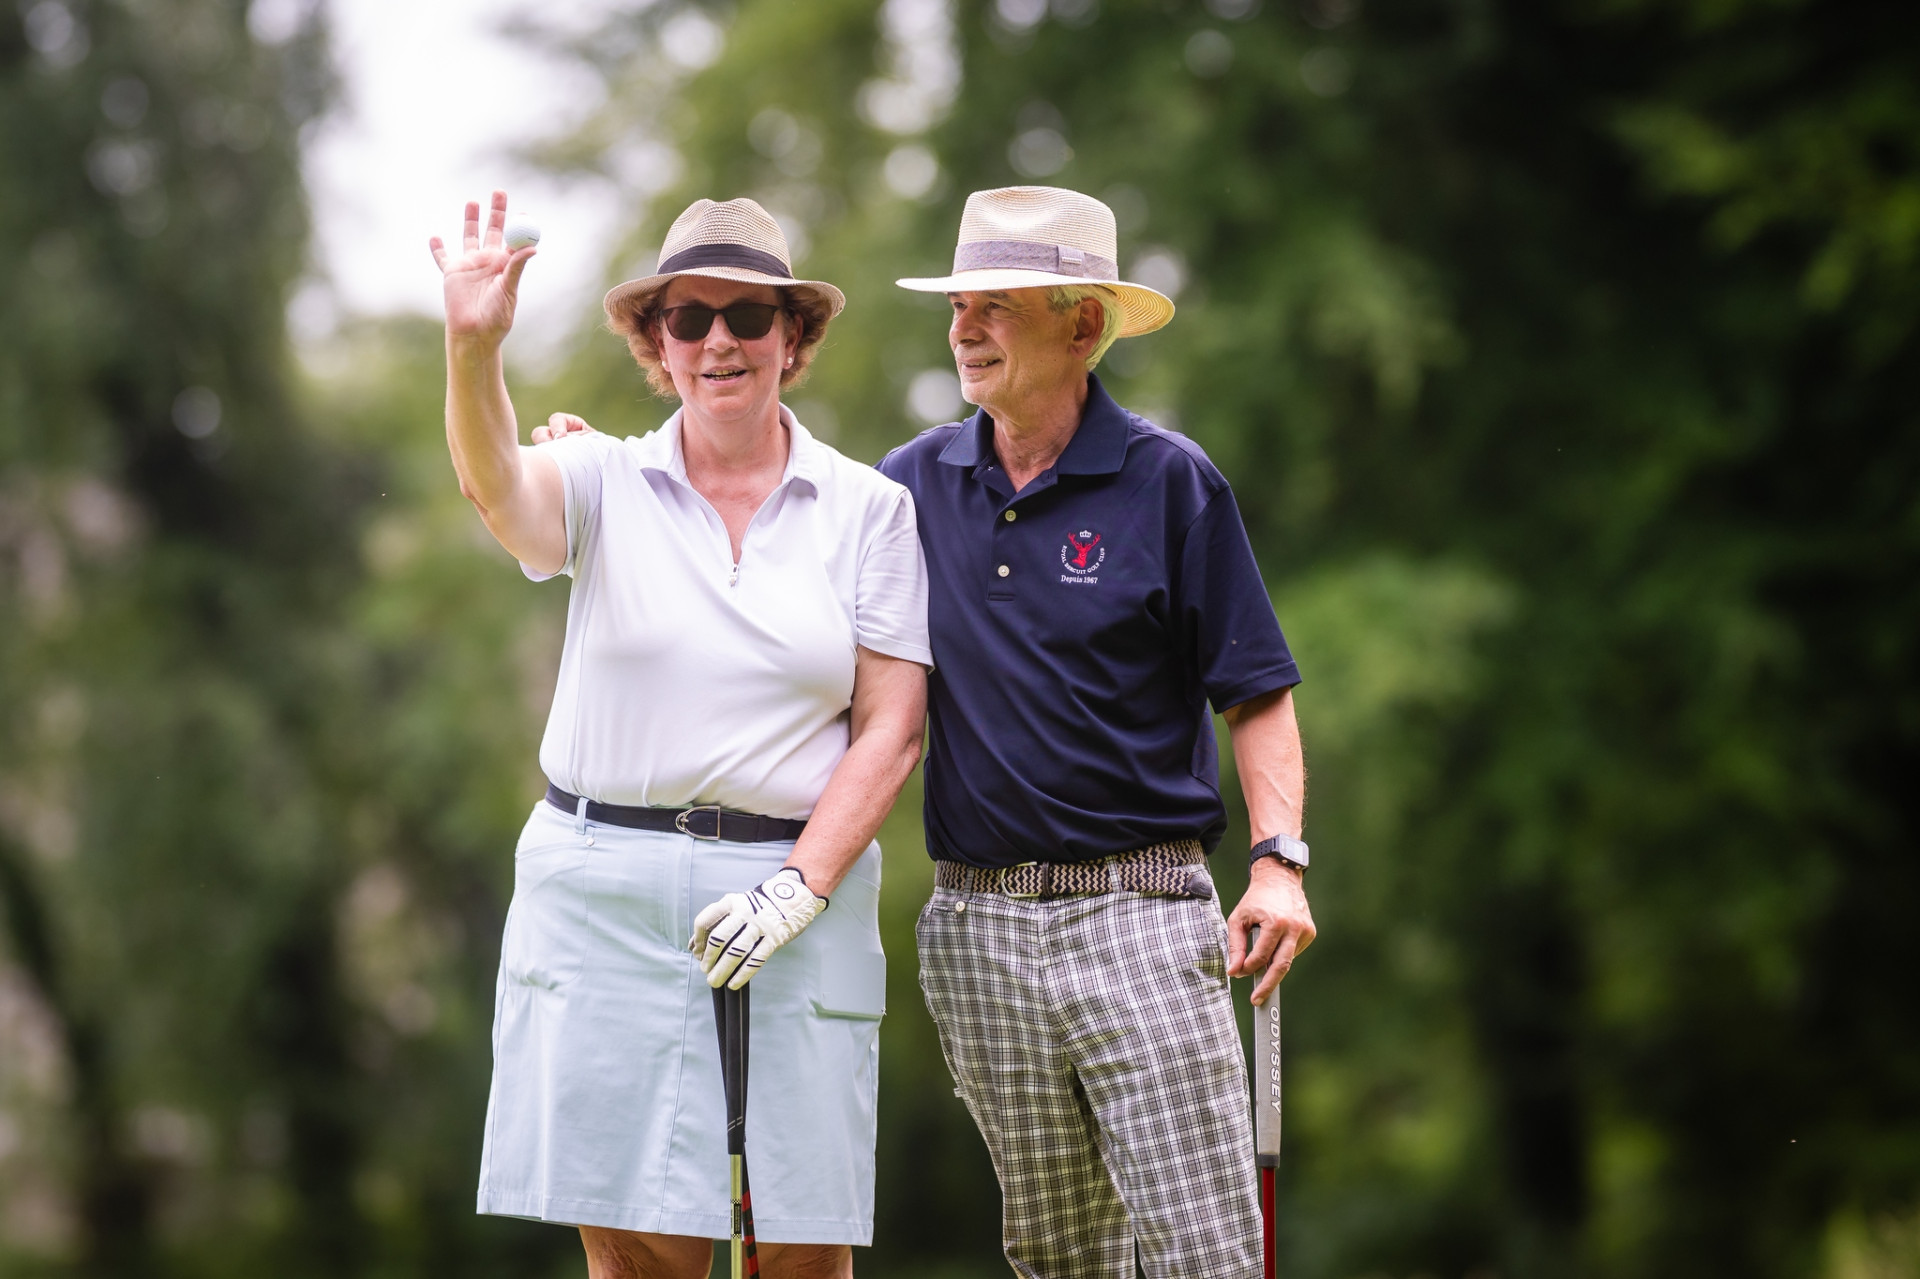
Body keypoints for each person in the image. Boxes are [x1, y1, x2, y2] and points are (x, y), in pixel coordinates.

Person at [430, 191, 931, 1279]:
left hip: (793, 900)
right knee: (639, 1259)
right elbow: (494, 484)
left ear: (793, 336)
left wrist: (799, 887)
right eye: (690, 317)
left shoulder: (869, 509)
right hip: (602, 898)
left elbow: (892, 728)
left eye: (747, 316)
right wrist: (474, 348)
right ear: (657, 341)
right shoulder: (600, 478)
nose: (719, 342)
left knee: (798, 1255)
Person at [874, 186, 1317, 1278]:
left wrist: (1279, 863)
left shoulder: (1170, 481)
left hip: (1142, 911)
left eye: (997, 306)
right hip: (975, 927)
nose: (965, 329)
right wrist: (614, 470)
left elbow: (1256, 691)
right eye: (959, 305)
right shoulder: (906, 485)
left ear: (1082, 326)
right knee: (1058, 1256)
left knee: (1201, 1252)